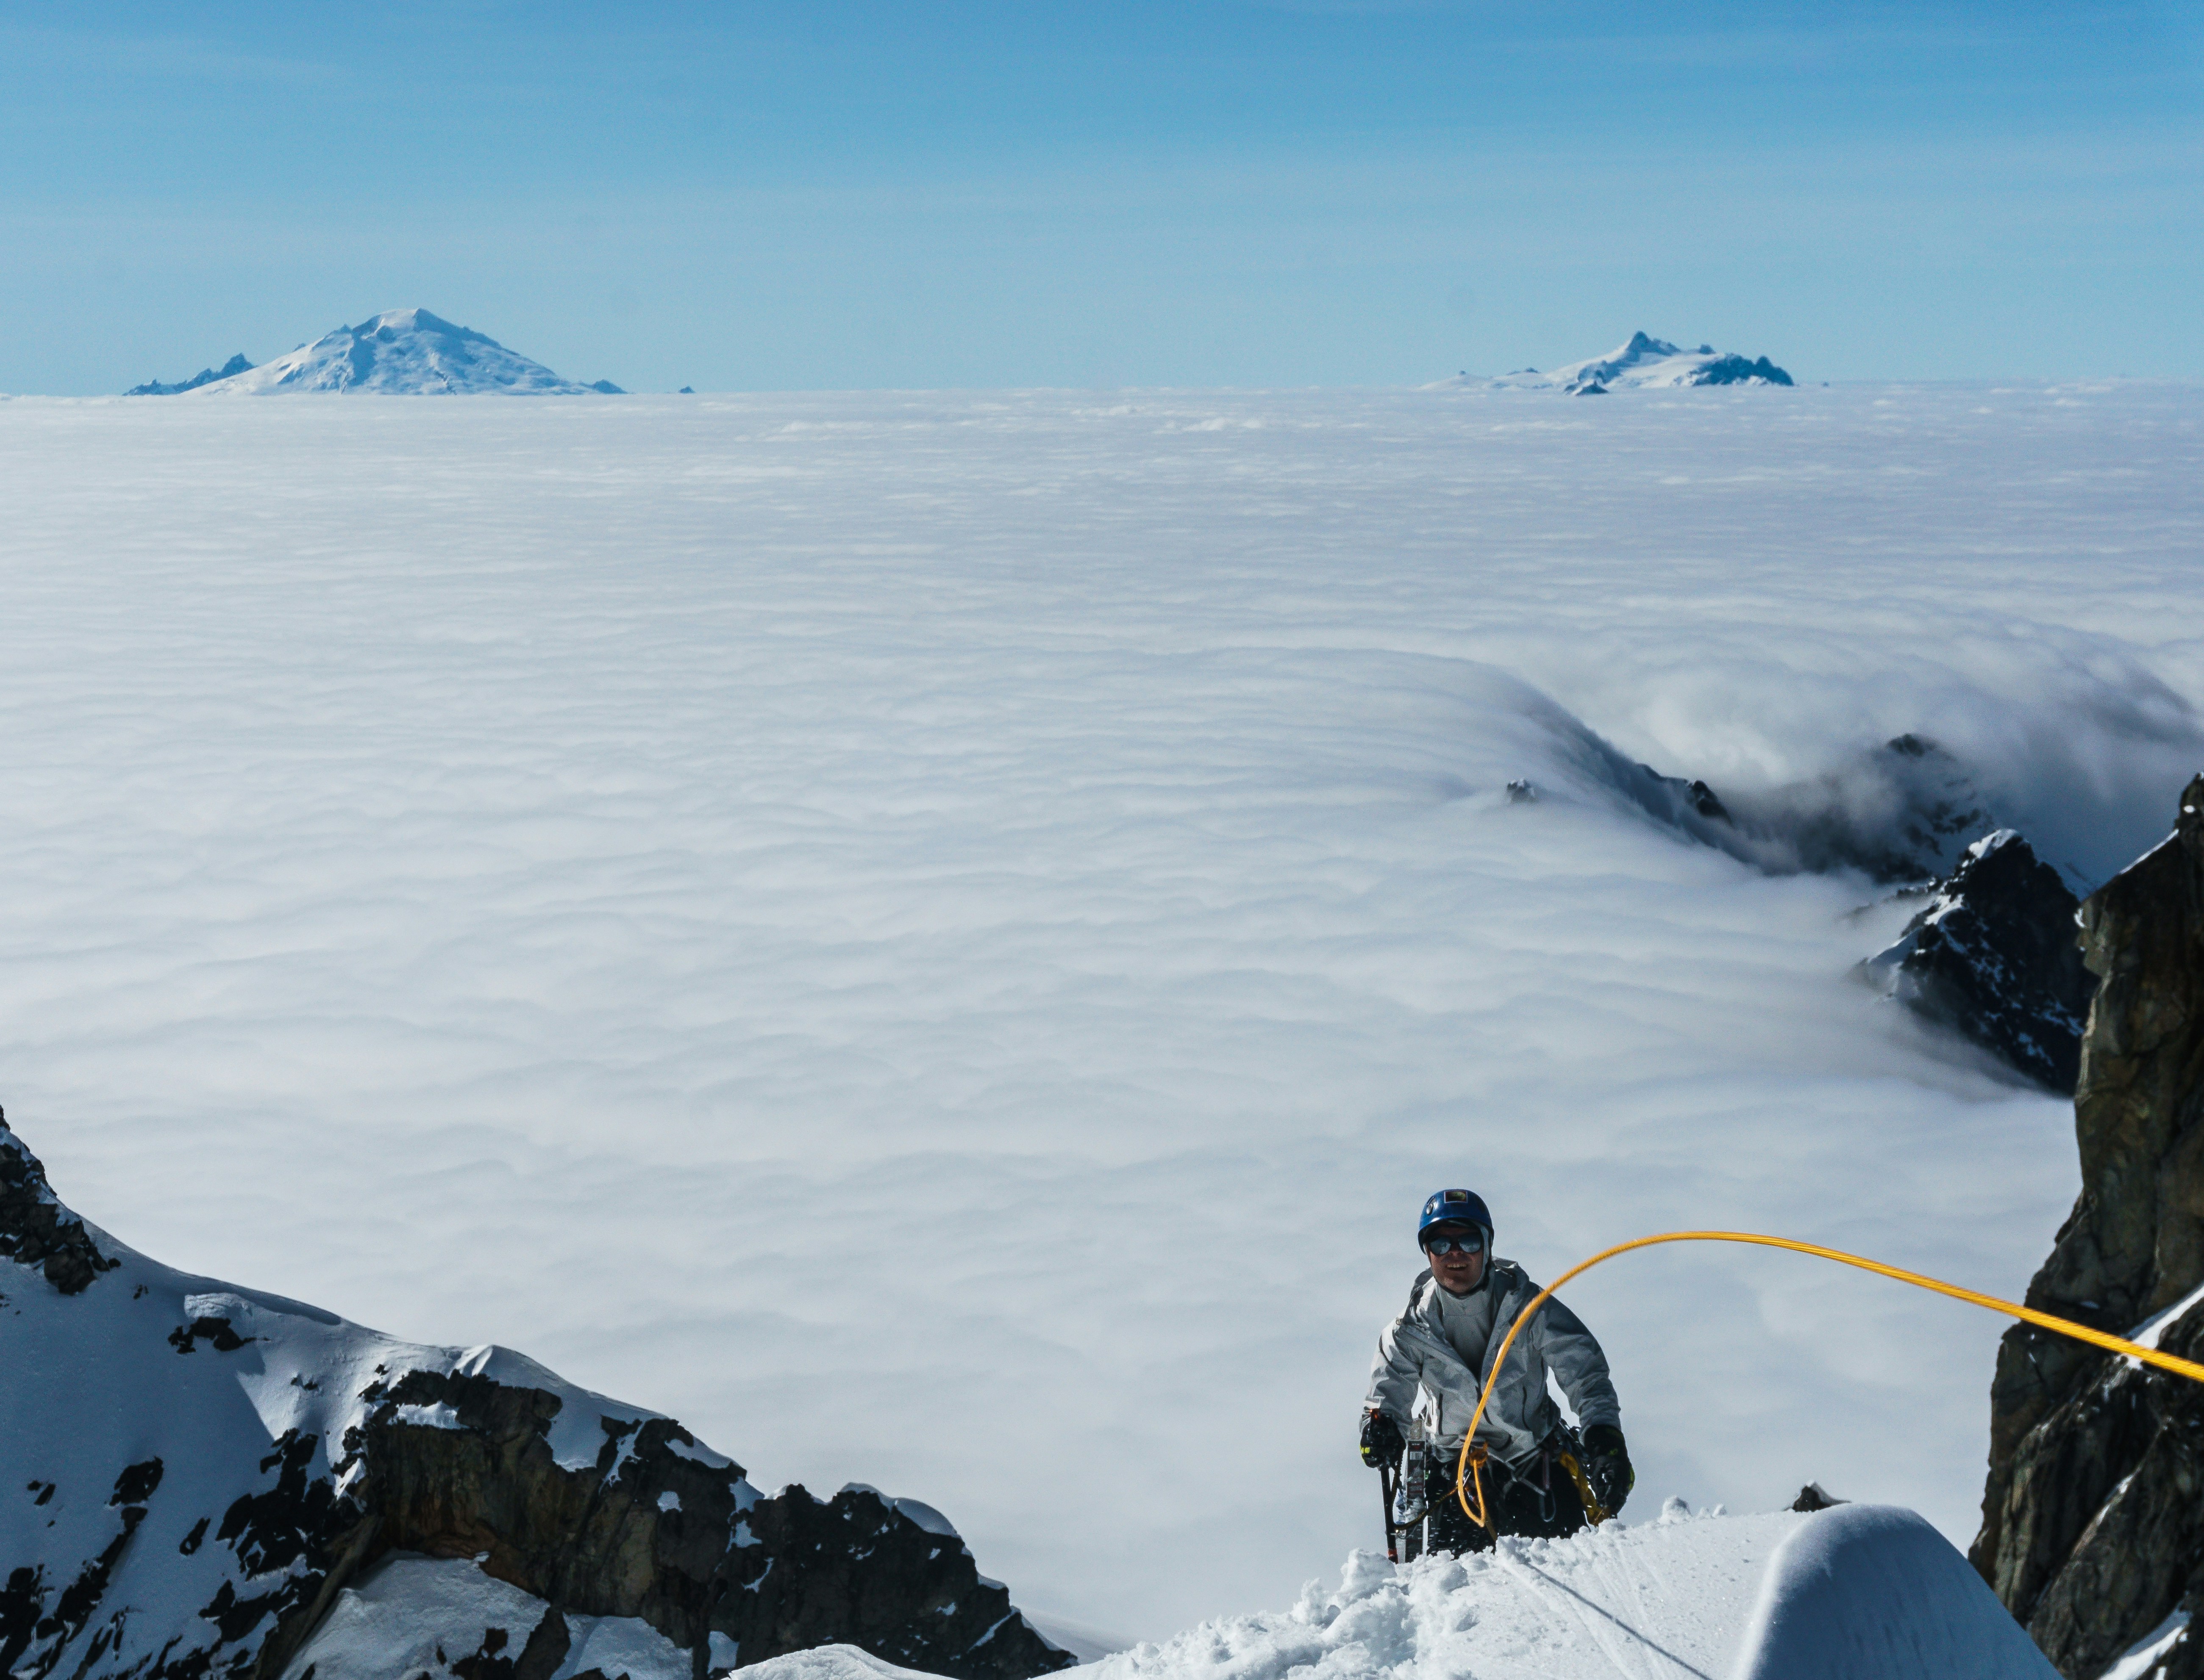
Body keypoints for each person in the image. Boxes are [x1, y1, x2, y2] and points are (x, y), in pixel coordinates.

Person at [1359, 1188, 1632, 1554]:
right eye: (1440, 1243)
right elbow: (1383, 1398)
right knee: (1459, 1602)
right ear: (1427, 1252)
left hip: (1538, 1466)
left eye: (1468, 1241)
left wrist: (1604, 1439)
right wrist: (1379, 1432)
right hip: (1457, 1477)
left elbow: (1586, 1376)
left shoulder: (1531, 1309)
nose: (1454, 1253)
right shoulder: (1408, 1331)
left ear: (1487, 1246)